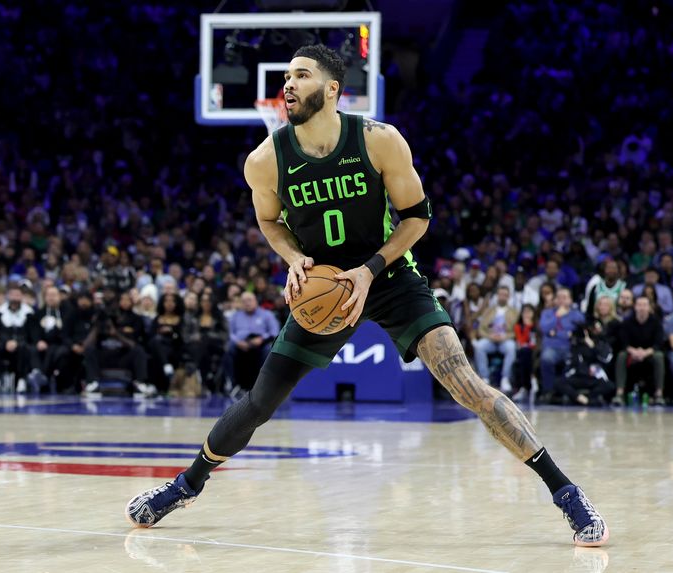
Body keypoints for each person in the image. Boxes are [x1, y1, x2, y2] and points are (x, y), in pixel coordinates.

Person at [125, 44, 607, 546]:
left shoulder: (379, 140)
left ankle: (566, 492)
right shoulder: (265, 160)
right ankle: (185, 486)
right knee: (259, 402)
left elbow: (417, 217)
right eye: (286, 77)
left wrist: (369, 270)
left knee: (466, 384)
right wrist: (293, 261)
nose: (287, 85)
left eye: (302, 75)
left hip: (390, 276)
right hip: (324, 287)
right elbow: (268, 222)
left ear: (332, 88)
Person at [612, 296, 665, 407]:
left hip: (649, 353)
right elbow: (623, 343)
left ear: (649, 307)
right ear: (635, 307)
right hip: (632, 353)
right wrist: (634, 352)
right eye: (639, 305)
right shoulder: (627, 322)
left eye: (645, 305)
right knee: (621, 356)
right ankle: (619, 394)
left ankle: (659, 394)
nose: (642, 308)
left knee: (659, 356)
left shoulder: (656, 322)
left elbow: (658, 344)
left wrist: (645, 352)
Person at [472, 285, 518, 393]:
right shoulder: (489, 311)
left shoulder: (514, 312)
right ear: (497, 296)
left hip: (505, 339)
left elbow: (516, 331)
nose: (502, 297)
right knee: (479, 346)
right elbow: (481, 329)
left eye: (505, 295)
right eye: (500, 294)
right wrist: (489, 336)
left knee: (511, 348)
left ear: (508, 297)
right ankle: (485, 378)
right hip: (490, 339)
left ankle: (505, 378)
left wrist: (506, 336)